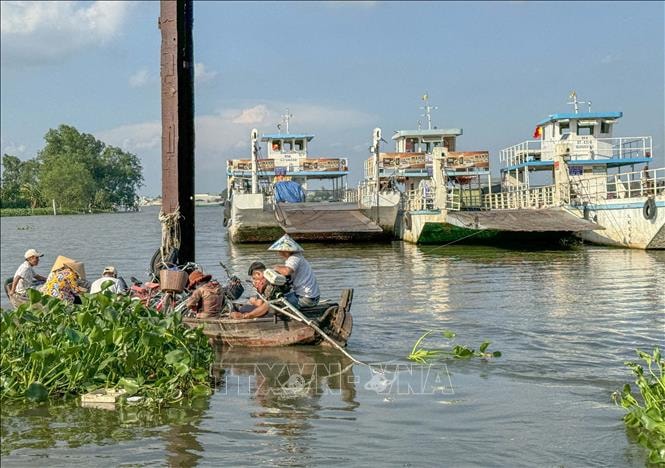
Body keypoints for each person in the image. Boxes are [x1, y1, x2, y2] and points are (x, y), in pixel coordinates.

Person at [270, 234, 320, 308]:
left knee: (274, 303)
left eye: (279, 251)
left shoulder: (294, 258)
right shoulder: (298, 257)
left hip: (306, 298)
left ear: (285, 251)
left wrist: (276, 268)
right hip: (312, 297)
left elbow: (287, 271)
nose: (279, 253)